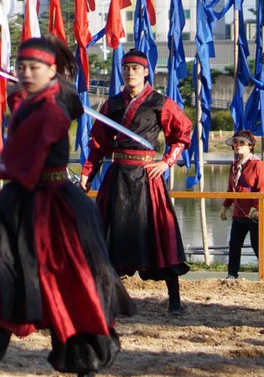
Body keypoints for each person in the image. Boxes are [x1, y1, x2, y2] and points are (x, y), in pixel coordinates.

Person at [0, 36, 135, 377]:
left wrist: (6, 163)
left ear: (53, 72)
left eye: (35, 68)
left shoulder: (55, 107)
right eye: (21, 67)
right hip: (15, 207)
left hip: (56, 210)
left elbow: (32, 147)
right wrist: (20, 97)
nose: (27, 73)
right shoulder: (26, 101)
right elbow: (21, 118)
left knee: (73, 292)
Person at [81, 49, 193, 314]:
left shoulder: (160, 102)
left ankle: (174, 300)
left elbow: (183, 132)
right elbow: (98, 143)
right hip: (118, 176)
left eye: (135, 68)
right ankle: (108, 300)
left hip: (147, 177)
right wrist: (87, 173)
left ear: (145, 72)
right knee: (110, 236)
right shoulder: (112, 105)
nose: (130, 72)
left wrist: (166, 162)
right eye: (126, 67)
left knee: (158, 234)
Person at [220, 130, 264, 280]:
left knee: (258, 245)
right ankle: (232, 274)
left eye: (242, 142)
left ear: (250, 146)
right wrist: (225, 205)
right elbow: (231, 188)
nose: (238, 145)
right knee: (234, 245)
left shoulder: (258, 165)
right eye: (236, 142)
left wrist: (257, 207)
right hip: (239, 212)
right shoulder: (234, 166)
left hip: (255, 213)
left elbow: (262, 188)